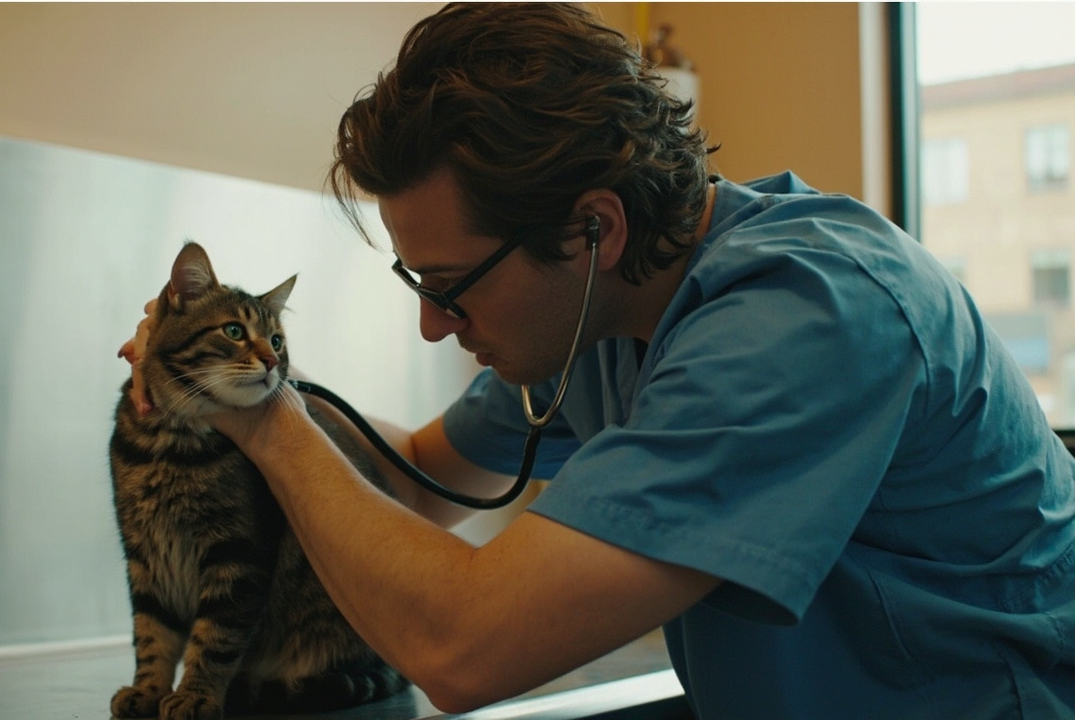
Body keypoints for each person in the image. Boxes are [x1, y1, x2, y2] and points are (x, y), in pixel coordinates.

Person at [120, 4, 1075, 718]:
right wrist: (212, 384)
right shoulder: (595, 322)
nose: (432, 328)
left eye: (452, 285)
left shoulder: (806, 314)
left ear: (595, 229)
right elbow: (416, 481)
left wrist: (266, 420)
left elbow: (461, 649)